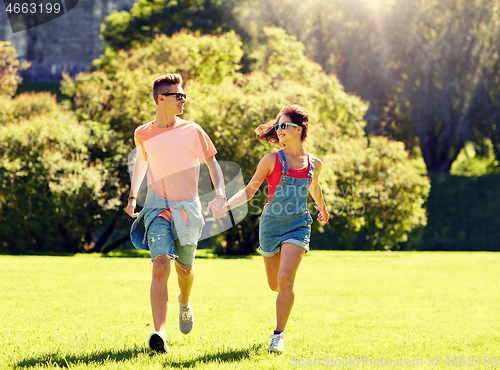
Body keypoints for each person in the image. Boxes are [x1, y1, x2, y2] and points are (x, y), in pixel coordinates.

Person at [125, 73, 227, 353]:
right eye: (177, 96)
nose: (183, 100)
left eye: (184, 95)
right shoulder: (143, 133)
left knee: (185, 269)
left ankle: (184, 301)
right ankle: (159, 334)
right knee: (160, 266)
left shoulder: (193, 131)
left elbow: (212, 164)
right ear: (161, 99)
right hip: (158, 206)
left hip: (187, 208)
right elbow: (141, 164)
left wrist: (220, 195)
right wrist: (133, 196)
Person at [227, 104, 330, 354]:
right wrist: (227, 204)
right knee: (275, 284)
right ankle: (282, 298)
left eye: (284, 125)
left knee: (286, 279)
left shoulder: (315, 163)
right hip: (271, 225)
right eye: (278, 125)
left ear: (299, 129)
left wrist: (322, 209)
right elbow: (251, 189)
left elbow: (314, 188)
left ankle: (278, 335)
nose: (279, 129)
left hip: (298, 224)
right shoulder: (271, 159)